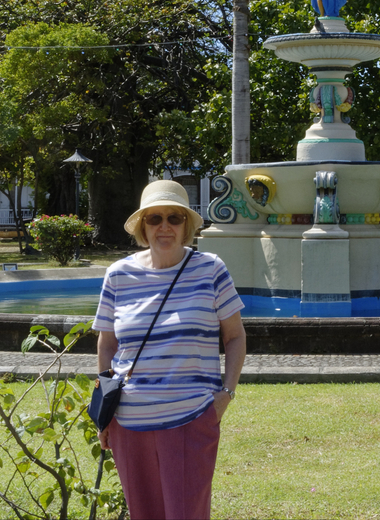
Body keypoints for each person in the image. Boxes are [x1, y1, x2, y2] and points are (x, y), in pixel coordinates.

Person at [93, 180, 246, 519]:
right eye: (154, 218)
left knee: (186, 513)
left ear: (187, 225)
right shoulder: (118, 275)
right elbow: (107, 343)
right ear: (143, 226)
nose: (164, 226)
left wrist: (227, 394)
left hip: (190, 417)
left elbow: (234, 336)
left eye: (174, 218)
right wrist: (104, 413)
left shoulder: (211, 269)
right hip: (128, 422)